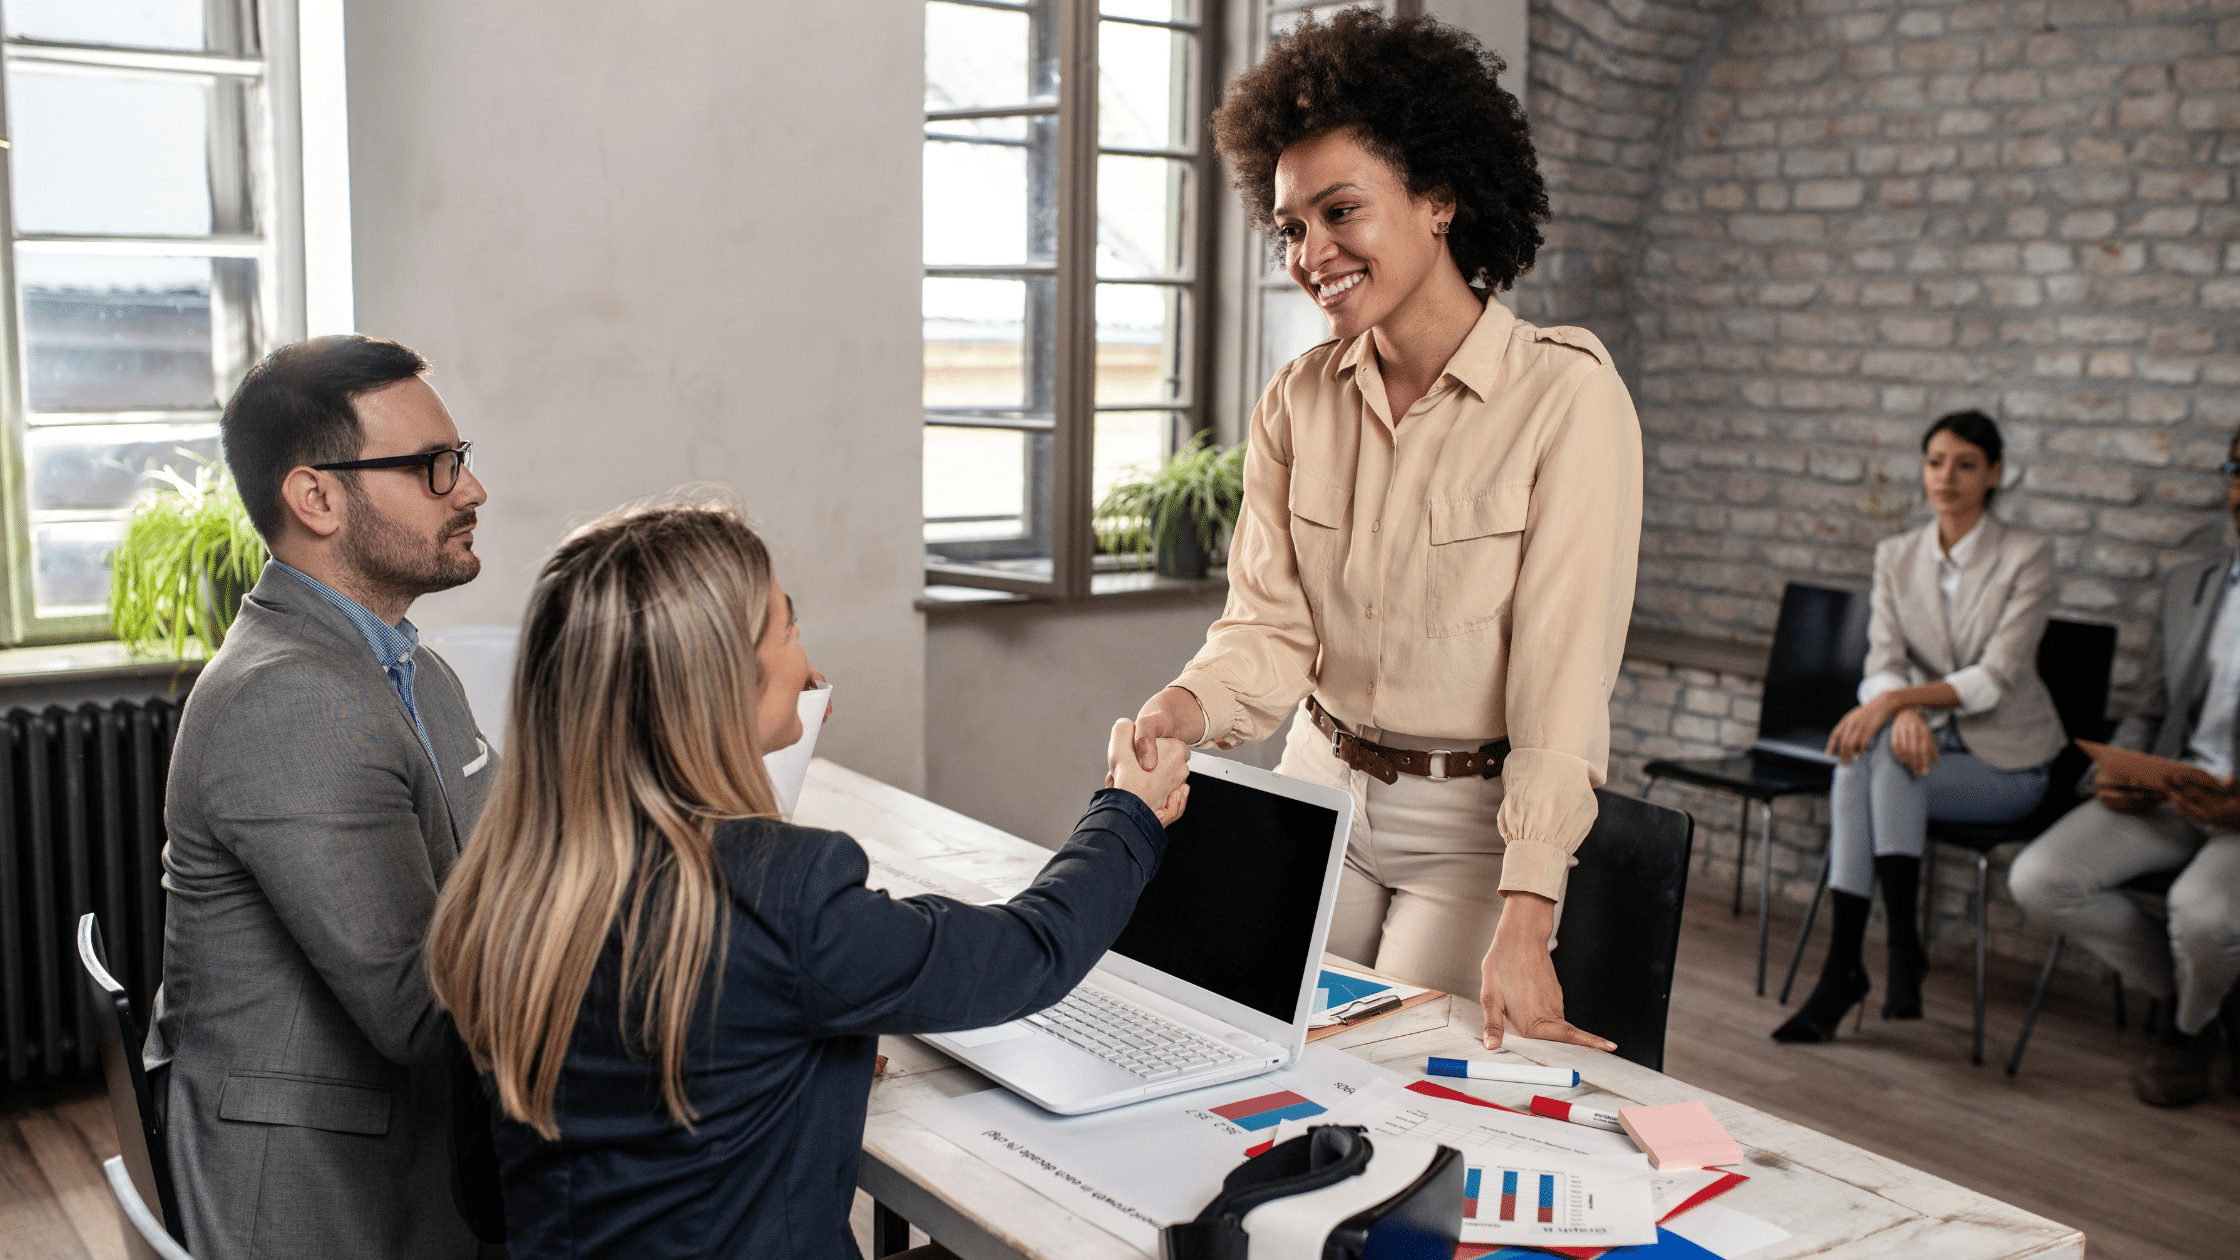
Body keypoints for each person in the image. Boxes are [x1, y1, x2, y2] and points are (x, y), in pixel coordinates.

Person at [424, 501, 1193, 1260]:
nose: (805, 655)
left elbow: (487, 1199)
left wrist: (776, 1076)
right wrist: (1128, 811)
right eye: (788, 626)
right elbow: (1026, 956)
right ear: (726, 684)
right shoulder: (780, 893)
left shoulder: (499, 892)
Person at [1119, 9, 1640, 1053]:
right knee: (1239, 1053)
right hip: (1314, 787)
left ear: (1438, 198)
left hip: (1466, 828)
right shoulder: (1294, 401)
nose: (1310, 253)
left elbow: (1560, 686)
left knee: (1392, 1087)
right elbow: (1266, 630)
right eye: (1289, 226)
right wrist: (1181, 706)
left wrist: (1527, 913)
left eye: (1339, 210)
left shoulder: (1564, 400)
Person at [145, 335, 496, 1259]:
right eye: (432, 467)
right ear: (316, 496)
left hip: (407, 1146)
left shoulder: (405, 664)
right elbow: (423, 1012)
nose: (470, 490)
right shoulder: (289, 698)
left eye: (457, 459)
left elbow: (495, 874)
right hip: (326, 1197)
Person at [1774, 411, 2061, 1042]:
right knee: (1867, 762)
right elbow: (1884, 662)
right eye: (1935, 462)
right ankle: (1885, 951)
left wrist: (1891, 702)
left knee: (1875, 765)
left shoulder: (2028, 555)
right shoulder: (1897, 555)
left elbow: (1995, 676)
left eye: (1965, 464)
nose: (1947, 477)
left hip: (2007, 762)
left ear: (1995, 474)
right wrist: (1899, 707)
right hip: (1917, 744)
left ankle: (1865, 957)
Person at [2009, 428, 2240, 1106]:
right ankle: (2201, 996)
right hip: (2176, 790)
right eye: (2237, 469)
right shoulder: (2190, 582)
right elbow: (2151, 704)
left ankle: (2188, 1030)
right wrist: (2113, 776)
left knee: (2202, 915)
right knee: (2039, 879)